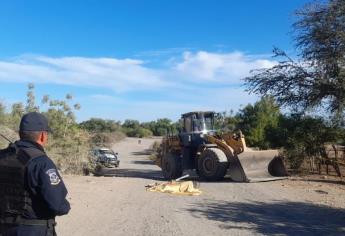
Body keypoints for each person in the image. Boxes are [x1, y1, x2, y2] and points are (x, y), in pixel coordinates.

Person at [0, 112, 70, 236]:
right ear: (43, 135)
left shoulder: (2, 156)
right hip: (33, 230)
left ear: (20, 133)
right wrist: (66, 206)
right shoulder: (41, 162)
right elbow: (57, 204)